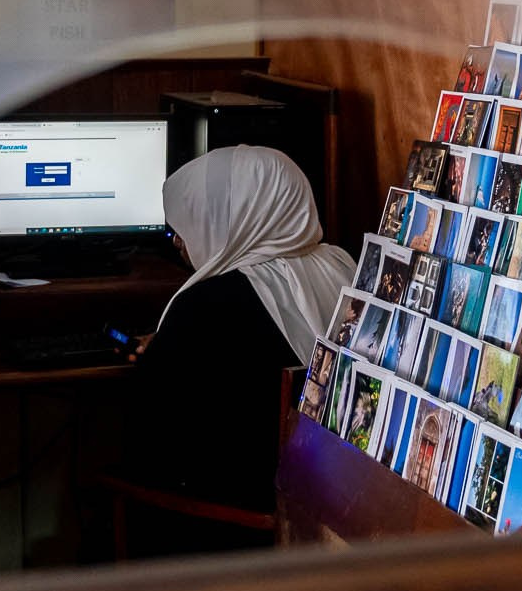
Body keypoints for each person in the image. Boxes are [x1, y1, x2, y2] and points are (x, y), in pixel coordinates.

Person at [122, 147, 356, 531]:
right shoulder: (344, 268)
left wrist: (162, 352)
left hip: (235, 529)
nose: (180, 243)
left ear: (234, 219)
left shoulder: (205, 307)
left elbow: (150, 439)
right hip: (341, 511)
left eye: (187, 226)